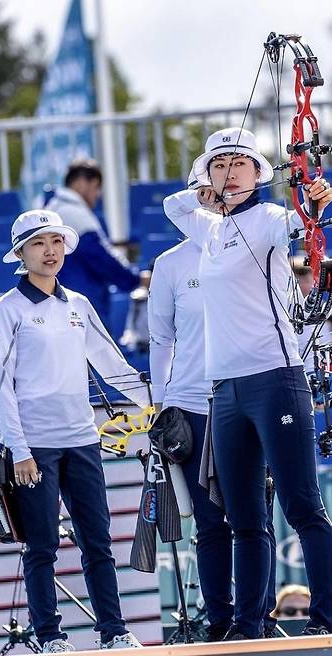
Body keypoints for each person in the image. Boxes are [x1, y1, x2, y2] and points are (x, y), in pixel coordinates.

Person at [163, 127, 332, 639]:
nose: (229, 172)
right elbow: (173, 206)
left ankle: (326, 621)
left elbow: (306, 229)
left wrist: (314, 199)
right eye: (219, 165)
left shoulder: (272, 219)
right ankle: (246, 627)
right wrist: (204, 195)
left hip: (276, 380)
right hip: (226, 391)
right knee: (243, 518)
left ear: (259, 174)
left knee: (302, 506)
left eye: (239, 164)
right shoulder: (208, 231)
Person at [0, 209, 152, 652]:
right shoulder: (6, 311)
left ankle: (114, 632)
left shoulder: (79, 304)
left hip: (82, 440)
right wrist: (17, 449)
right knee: (41, 547)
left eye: (56, 242)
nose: (51, 251)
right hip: (35, 448)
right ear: (21, 253)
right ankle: (49, 637)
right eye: (40, 243)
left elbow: (113, 363)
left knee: (97, 542)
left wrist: (153, 406)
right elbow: (2, 389)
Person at [148, 236, 279, 640]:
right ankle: (220, 623)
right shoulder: (169, 262)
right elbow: (160, 340)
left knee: (256, 517)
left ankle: (259, 622)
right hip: (190, 404)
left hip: (245, 395)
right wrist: (160, 408)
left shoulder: (253, 244)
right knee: (209, 523)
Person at [46, 159, 138, 327]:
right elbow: (102, 258)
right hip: (84, 312)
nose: (98, 195)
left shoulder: (53, 208)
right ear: (82, 182)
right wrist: (135, 280)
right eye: (96, 187)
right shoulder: (74, 213)